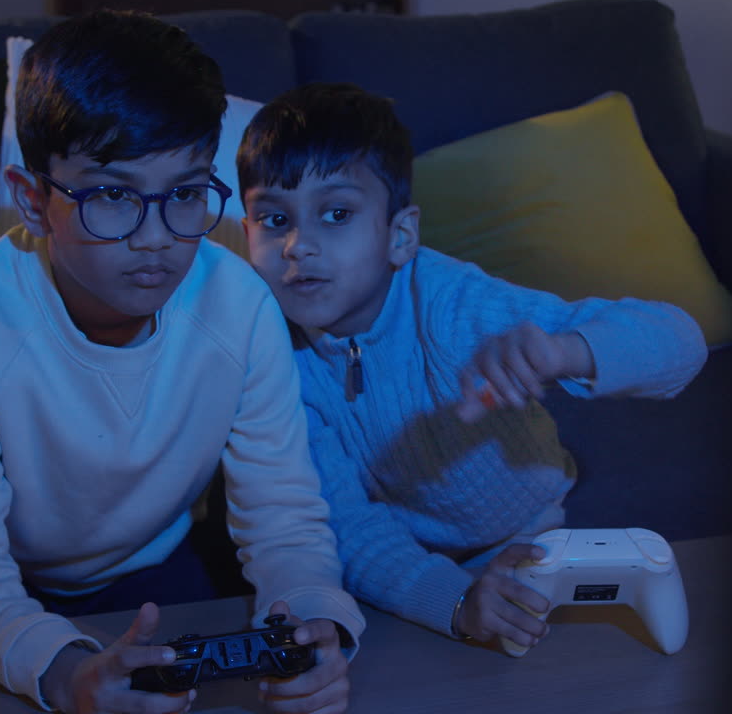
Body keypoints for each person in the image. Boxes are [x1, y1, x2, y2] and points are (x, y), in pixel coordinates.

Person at [0, 12, 363, 714]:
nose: (155, 240)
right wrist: (63, 673)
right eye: (112, 195)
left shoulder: (239, 305)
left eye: (183, 193)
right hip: (1, 580)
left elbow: (285, 520)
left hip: (154, 567)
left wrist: (317, 621)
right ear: (32, 200)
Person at [236, 82, 707, 654]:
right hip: (415, 555)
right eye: (274, 219)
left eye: (336, 214)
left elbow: (681, 341)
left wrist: (567, 351)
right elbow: (347, 528)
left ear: (400, 235)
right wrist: (457, 604)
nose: (297, 246)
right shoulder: (270, 357)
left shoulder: (454, 305)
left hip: (544, 523)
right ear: (246, 236)